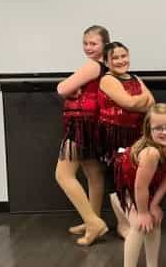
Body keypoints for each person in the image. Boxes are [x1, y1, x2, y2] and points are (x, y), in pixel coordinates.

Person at [55, 25, 110, 246]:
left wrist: (66, 88)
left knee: (63, 174)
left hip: (80, 124)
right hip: (89, 124)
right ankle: (92, 221)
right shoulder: (102, 67)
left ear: (104, 44)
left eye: (94, 43)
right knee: (93, 173)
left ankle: (93, 222)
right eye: (85, 43)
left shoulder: (92, 65)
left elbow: (61, 88)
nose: (88, 47)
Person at [115, 103, 166, 267]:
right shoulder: (151, 153)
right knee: (140, 225)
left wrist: (153, 205)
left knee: (154, 220)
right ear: (149, 130)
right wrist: (142, 212)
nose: (164, 132)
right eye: (158, 128)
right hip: (125, 183)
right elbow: (139, 187)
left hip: (147, 183)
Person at [98, 41, 155, 238]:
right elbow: (129, 103)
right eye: (115, 57)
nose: (121, 61)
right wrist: (140, 100)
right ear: (106, 61)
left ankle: (137, 217)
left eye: (124, 56)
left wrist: (138, 102)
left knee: (134, 178)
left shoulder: (135, 78)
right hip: (114, 134)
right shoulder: (107, 79)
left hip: (136, 135)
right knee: (116, 179)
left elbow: (152, 103)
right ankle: (123, 224)